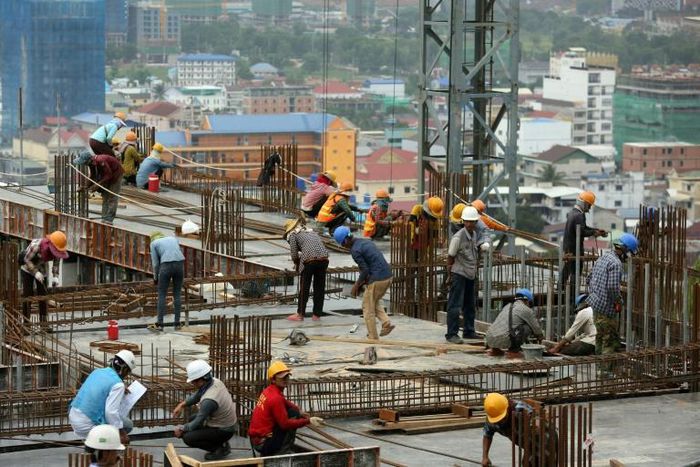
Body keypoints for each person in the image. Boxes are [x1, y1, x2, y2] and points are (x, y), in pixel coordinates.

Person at [249, 361, 323, 456]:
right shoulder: (276, 398)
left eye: (287, 376)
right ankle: (282, 451)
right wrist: (309, 421)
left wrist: (299, 411)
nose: (285, 379)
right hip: (263, 443)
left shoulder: (268, 390)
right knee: (291, 419)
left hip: (257, 438)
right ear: (273, 380)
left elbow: (285, 401)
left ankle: (277, 447)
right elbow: (285, 424)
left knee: (294, 412)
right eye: (282, 377)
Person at [334, 226, 395, 340]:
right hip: (388, 276)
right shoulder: (364, 242)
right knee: (373, 301)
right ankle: (386, 323)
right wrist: (363, 282)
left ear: (346, 240)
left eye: (343, 244)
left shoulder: (355, 250)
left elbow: (365, 270)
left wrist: (356, 285)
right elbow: (370, 264)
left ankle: (373, 336)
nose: (344, 247)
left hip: (378, 279)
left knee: (367, 307)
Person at [172, 360, 238, 461]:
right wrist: (182, 404)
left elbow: (198, 421)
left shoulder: (209, 400)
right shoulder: (214, 381)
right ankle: (220, 442)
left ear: (202, 379)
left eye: (194, 381)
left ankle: (220, 448)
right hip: (226, 424)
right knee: (191, 418)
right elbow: (198, 395)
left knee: (188, 437)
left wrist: (182, 429)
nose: (193, 383)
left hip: (224, 430)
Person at [69, 350, 136, 444]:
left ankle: (93, 443)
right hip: (87, 424)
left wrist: (119, 385)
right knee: (127, 425)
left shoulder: (97, 372)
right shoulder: (118, 385)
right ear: (124, 370)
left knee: (120, 422)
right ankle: (103, 445)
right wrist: (121, 433)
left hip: (74, 415)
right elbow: (110, 412)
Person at [587, 233, 638, 355]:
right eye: (629, 252)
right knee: (608, 342)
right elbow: (612, 288)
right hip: (606, 308)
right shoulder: (616, 263)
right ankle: (605, 372)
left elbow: (589, 278)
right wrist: (618, 301)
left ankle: (599, 369)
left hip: (595, 304)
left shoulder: (603, 257)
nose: (628, 256)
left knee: (600, 337)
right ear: (625, 249)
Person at [445, 206, 489, 344]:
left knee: (470, 304)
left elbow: (475, 254)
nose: (470, 224)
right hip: (459, 274)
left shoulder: (475, 235)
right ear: (463, 221)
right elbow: (450, 257)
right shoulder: (458, 237)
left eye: (472, 221)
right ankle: (452, 334)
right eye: (467, 221)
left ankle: (469, 331)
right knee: (455, 305)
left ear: (476, 222)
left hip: (470, 274)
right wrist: (449, 275)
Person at [481, 393, 557, 467]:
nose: (501, 421)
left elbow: (535, 414)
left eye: (503, 418)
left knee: (545, 462)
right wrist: (485, 456)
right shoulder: (493, 418)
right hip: (529, 444)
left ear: (507, 408)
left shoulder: (518, 407)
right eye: (498, 420)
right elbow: (487, 435)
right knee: (527, 463)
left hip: (545, 438)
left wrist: (536, 421)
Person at [560, 191, 607, 309]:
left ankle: (559, 288)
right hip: (574, 250)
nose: (589, 208)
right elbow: (581, 232)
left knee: (567, 270)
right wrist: (594, 232)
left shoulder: (573, 213)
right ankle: (572, 300)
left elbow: (583, 228)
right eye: (589, 205)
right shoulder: (579, 215)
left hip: (568, 248)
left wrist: (595, 230)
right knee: (575, 273)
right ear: (585, 204)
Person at [19, 230, 69, 329]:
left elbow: (56, 263)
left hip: (42, 268)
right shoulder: (36, 245)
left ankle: (44, 324)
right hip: (27, 268)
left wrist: (55, 276)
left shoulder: (57, 249)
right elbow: (26, 260)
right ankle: (26, 325)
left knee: (43, 296)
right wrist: (35, 272)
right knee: (28, 295)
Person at [284, 218, 329, 322]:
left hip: (310, 260)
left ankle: (300, 314)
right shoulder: (311, 231)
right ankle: (316, 315)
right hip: (324, 259)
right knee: (319, 288)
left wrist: (297, 264)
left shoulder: (293, 234)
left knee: (304, 287)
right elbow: (316, 246)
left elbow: (294, 254)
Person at [485, 288, 544, 358]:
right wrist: (540, 337)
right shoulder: (526, 309)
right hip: (504, 339)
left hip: (489, 339)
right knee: (527, 327)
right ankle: (513, 352)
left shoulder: (507, 306)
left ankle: (495, 350)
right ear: (527, 301)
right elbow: (536, 328)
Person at [147, 231, 185, 332]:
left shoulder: (153, 244)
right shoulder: (173, 239)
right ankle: (177, 323)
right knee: (177, 294)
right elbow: (177, 253)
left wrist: (155, 278)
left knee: (162, 294)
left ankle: (160, 324)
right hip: (180, 264)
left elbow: (155, 264)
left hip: (166, 266)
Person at [73, 150, 124, 225]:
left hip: (116, 175)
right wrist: (85, 186)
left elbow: (109, 175)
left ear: (88, 160)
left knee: (112, 197)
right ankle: (104, 217)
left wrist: (97, 185)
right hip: (107, 176)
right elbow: (92, 176)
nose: (84, 164)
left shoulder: (100, 161)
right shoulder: (91, 163)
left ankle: (109, 219)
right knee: (105, 196)